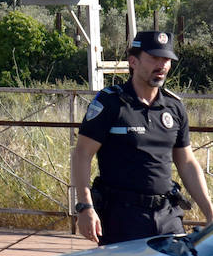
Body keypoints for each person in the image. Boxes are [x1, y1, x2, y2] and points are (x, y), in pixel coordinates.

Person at [71, 30, 212, 245]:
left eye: (166, 59)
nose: (162, 65)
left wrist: (210, 213)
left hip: (167, 215)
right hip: (122, 218)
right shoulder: (111, 103)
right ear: (133, 61)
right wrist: (85, 206)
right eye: (154, 58)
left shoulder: (174, 106)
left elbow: (186, 162)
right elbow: (82, 154)